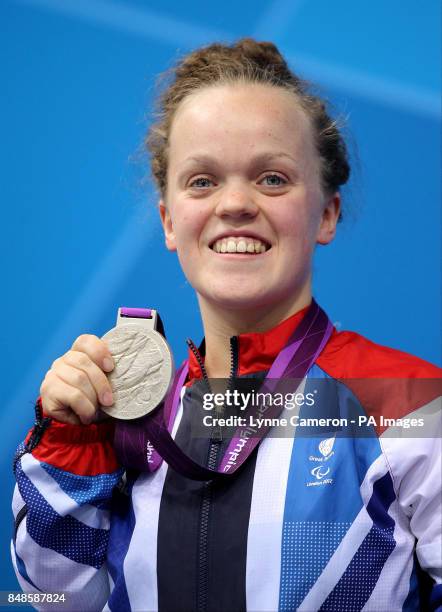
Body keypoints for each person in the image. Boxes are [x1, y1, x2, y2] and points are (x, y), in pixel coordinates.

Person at [11, 38, 441, 612]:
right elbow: (56, 599)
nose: (235, 203)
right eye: (202, 181)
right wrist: (70, 448)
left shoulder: (408, 403)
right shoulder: (122, 411)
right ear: (169, 221)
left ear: (327, 214)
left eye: (272, 179)